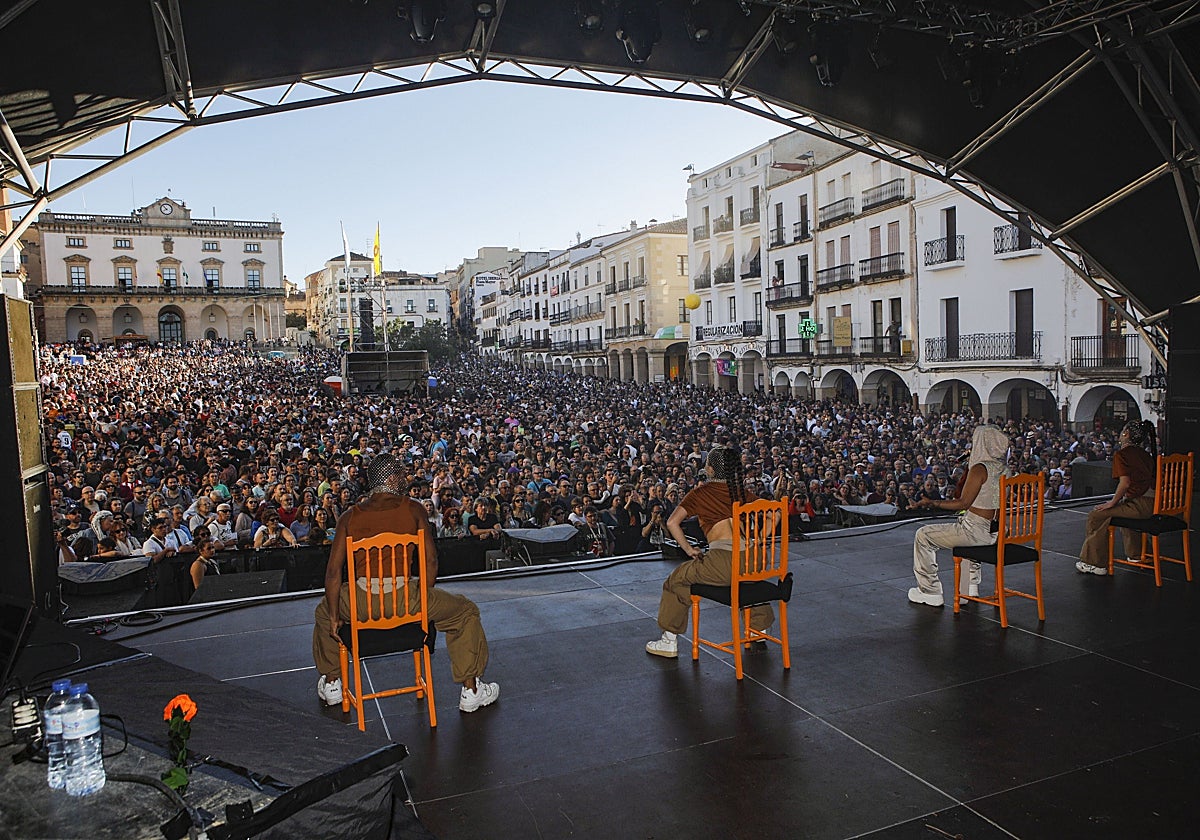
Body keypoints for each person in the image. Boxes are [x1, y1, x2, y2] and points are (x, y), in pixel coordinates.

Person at [312, 454, 499, 713]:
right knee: (466, 611)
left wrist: (335, 616)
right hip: (407, 598)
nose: (405, 478)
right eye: (400, 474)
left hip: (360, 602)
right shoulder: (413, 509)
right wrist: (423, 598)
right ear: (390, 478)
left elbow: (333, 573)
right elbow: (431, 561)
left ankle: (333, 683)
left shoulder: (348, 517)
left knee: (324, 611)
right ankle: (471, 690)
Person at [646, 445, 776, 658]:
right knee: (749, 580)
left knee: (676, 579)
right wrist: (758, 539)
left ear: (711, 470)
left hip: (724, 561)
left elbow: (672, 522)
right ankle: (758, 630)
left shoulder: (700, 493)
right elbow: (774, 515)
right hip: (756, 560)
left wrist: (689, 549)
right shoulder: (741, 492)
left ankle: (668, 640)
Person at [907, 425, 1010, 607]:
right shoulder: (1005, 469)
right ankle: (970, 586)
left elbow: (963, 503)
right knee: (965, 539)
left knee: (923, 536)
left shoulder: (979, 469)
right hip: (997, 532)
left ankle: (929, 591)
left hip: (975, 531)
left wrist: (933, 503)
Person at [1075, 419, 1157, 575]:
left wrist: (1112, 502)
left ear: (1126, 434)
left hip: (1141, 505)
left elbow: (1125, 483)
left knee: (1097, 515)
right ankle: (1137, 553)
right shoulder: (1145, 454)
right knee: (1120, 512)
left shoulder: (1123, 455)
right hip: (1154, 503)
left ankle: (1094, 562)